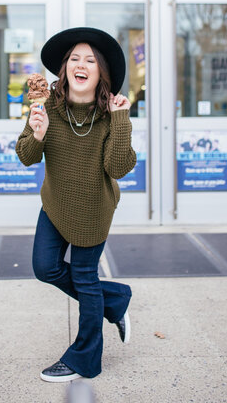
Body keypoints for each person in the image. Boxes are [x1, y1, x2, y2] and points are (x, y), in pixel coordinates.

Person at [16, 27, 136, 383]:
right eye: (74, 59)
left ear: (100, 73)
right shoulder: (46, 105)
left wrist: (121, 120)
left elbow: (118, 167)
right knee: (44, 267)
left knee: (85, 279)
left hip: (94, 209)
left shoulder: (110, 113)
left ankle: (84, 359)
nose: (80, 65)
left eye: (90, 60)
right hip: (56, 203)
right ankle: (113, 300)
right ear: (65, 68)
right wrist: (37, 133)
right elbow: (26, 157)